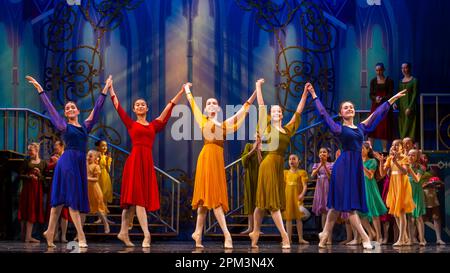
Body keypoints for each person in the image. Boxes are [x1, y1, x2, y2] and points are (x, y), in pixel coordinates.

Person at [308, 83, 407, 249]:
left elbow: (377, 114)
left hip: (354, 168)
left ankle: (324, 234)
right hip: (343, 168)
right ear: (341, 113)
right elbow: (324, 114)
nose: (349, 109)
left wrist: (392, 99)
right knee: (350, 206)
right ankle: (365, 237)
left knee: (337, 205)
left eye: (351, 107)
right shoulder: (338, 128)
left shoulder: (361, 127)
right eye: (346, 108)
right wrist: (313, 95)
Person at [26, 75, 110, 248]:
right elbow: (51, 111)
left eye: (73, 107)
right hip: (67, 163)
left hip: (78, 164)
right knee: (71, 200)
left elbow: (97, 109)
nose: (70, 109)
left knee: (59, 203)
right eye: (67, 108)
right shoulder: (64, 126)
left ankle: (49, 232)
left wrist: (105, 90)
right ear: (66, 113)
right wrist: (41, 90)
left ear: (78, 111)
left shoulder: (85, 126)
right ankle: (81, 237)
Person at [110, 78, 184, 248]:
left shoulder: (152, 126)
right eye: (138, 105)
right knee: (136, 201)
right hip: (134, 162)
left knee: (132, 202)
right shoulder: (130, 123)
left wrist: (180, 92)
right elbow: (117, 106)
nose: (141, 106)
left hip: (146, 163)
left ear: (147, 108)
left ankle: (123, 232)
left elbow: (168, 109)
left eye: (143, 104)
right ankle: (147, 235)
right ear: (134, 109)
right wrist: (111, 88)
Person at [185, 82, 256, 249]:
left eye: (214, 103)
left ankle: (197, 234)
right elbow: (193, 104)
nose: (211, 105)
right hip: (206, 159)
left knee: (206, 201)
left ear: (218, 109)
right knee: (212, 199)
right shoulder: (202, 120)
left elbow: (242, 111)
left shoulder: (225, 125)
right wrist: (187, 89)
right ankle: (227, 235)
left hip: (217, 160)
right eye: (208, 103)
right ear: (205, 109)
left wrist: (255, 91)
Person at [249, 79, 308, 249]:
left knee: (261, 204)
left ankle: (255, 232)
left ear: (281, 115)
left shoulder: (288, 129)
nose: (275, 112)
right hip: (267, 164)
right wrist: (258, 86)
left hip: (278, 165)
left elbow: (298, 112)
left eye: (278, 111)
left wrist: (304, 93)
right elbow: (261, 105)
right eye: (273, 111)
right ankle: (285, 237)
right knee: (272, 203)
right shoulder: (266, 126)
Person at [383, 139, 415, 246]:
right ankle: (405, 237)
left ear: (402, 147)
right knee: (395, 213)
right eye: (393, 145)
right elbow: (385, 174)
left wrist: (396, 161)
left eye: (397, 145)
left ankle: (401, 239)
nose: (395, 147)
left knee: (401, 212)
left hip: (402, 186)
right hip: (394, 186)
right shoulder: (391, 158)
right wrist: (385, 161)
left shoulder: (405, 158)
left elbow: (405, 171)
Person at [18, 142, 46, 243]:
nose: (29, 152)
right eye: (28, 150)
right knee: (26, 210)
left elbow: (44, 179)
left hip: (37, 190)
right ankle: (25, 236)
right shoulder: (26, 161)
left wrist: (39, 174)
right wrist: (29, 176)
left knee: (33, 210)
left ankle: (28, 237)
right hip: (27, 189)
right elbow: (20, 175)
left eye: (31, 150)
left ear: (36, 150)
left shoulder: (42, 163)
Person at [81, 150, 110, 234]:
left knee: (99, 209)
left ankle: (106, 224)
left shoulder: (96, 166)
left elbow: (96, 179)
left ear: (95, 158)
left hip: (95, 190)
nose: (88, 158)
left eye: (90, 156)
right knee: (83, 211)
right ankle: (79, 232)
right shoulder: (85, 165)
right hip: (86, 190)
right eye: (87, 156)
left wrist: (87, 178)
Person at [368, 63, 395, 152]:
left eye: (380, 70)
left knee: (384, 128)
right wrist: (375, 98)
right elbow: (371, 94)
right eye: (377, 70)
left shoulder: (389, 81)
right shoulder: (373, 81)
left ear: (383, 70)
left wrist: (382, 99)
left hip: (385, 107)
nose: (378, 72)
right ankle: (370, 150)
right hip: (375, 106)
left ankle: (384, 151)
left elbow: (391, 94)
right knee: (373, 126)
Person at [283, 154, 309, 244]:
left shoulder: (302, 172)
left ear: (298, 161)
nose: (291, 161)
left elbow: (305, 186)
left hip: (297, 198)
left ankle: (300, 238)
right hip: (288, 198)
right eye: (290, 159)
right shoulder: (285, 173)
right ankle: (288, 239)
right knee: (288, 218)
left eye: (294, 159)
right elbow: (283, 186)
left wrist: (302, 194)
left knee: (298, 218)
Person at [240, 135, 263, 234]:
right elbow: (244, 160)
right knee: (250, 200)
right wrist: (253, 149)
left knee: (259, 202)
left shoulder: (265, 148)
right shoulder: (248, 145)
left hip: (260, 176)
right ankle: (250, 227)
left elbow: (262, 163)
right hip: (250, 176)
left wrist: (258, 151)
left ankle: (257, 228)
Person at [398, 62, 418, 140]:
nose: (404, 70)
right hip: (401, 108)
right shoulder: (400, 81)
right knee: (402, 126)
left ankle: (411, 147)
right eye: (402, 68)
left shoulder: (414, 80)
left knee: (410, 127)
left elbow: (414, 95)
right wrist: (395, 103)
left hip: (410, 107)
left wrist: (410, 107)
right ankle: (403, 146)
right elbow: (399, 94)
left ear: (409, 68)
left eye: (406, 67)